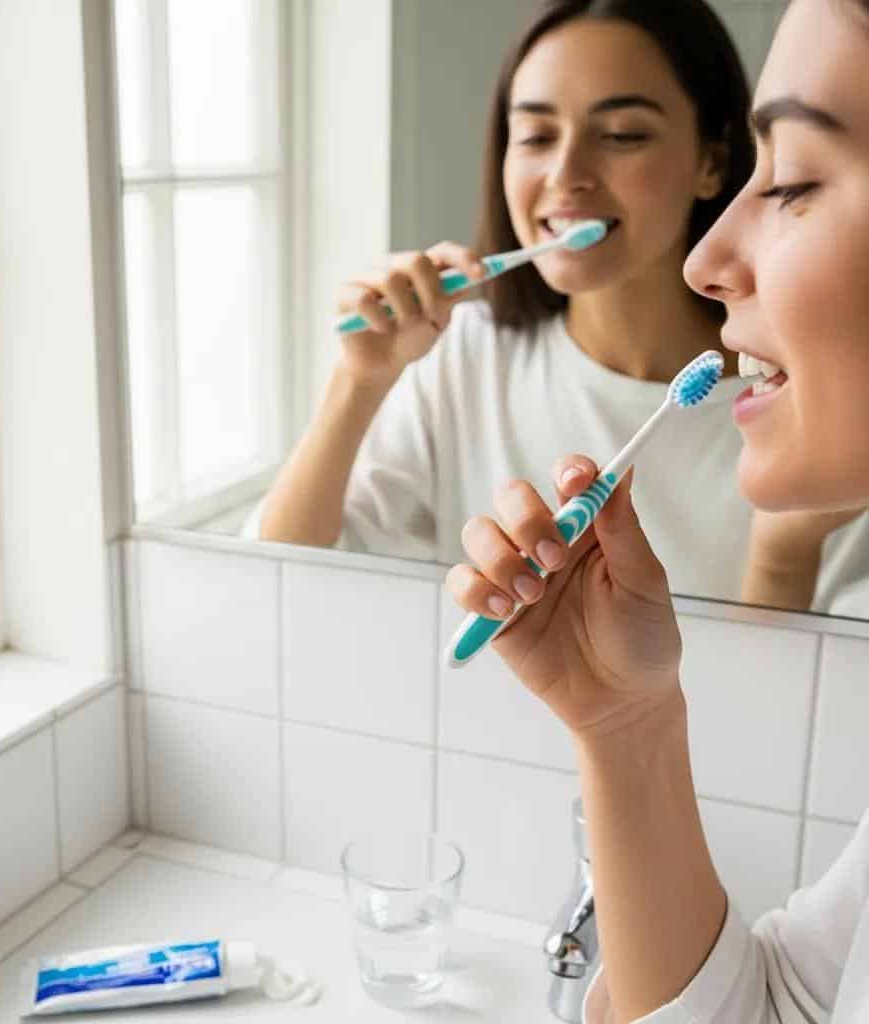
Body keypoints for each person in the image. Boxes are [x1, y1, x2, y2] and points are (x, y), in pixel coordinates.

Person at [446, 0, 869, 1018]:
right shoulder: (466, 359)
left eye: (797, 179)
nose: (705, 258)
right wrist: (624, 723)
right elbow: (788, 1010)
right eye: (533, 128)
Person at [252, 0, 764, 607]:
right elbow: (278, 585)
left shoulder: (793, 408)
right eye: (537, 136)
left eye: (622, 134)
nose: (565, 173)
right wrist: (359, 381)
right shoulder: (463, 357)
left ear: (712, 162)